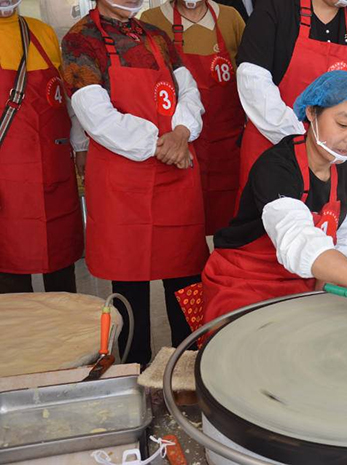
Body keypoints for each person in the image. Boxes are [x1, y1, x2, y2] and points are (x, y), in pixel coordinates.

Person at [62, 0, 209, 365]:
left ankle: (188, 362)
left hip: (176, 172)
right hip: (123, 179)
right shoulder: (81, 40)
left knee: (185, 277)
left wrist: (181, 131)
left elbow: (188, 91)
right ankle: (135, 370)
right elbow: (96, 116)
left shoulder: (156, 37)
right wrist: (159, 144)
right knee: (129, 283)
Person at [202, 71, 347, 323]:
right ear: (312, 113)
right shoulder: (277, 167)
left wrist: (323, 290)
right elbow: (298, 241)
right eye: (343, 124)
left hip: (302, 284)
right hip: (244, 284)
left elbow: (344, 242)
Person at [235, 0, 347, 203]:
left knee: (319, 224)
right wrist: (302, 143)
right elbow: (253, 82)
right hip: (270, 145)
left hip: (329, 156)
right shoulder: (275, 10)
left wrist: (342, 143)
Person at [0, 0, 85, 294]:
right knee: (8, 264)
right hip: (5, 176)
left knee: (61, 264)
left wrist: (81, 146)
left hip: (53, 168)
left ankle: (67, 335)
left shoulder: (43, 33)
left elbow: (69, 99)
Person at [142, 0, 247, 235]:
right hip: (177, 141)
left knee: (228, 219)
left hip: (227, 141)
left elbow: (252, 72)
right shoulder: (151, 21)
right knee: (182, 223)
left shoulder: (230, 17)